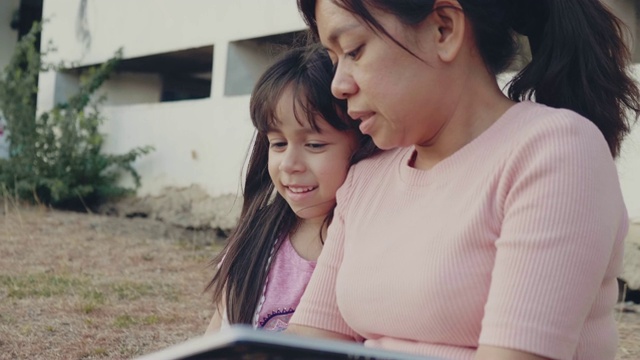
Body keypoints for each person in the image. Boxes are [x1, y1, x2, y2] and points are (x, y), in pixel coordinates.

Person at [287, 1, 640, 360]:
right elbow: (308, 342)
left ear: (444, 29)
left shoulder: (553, 150)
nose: (338, 86)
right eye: (334, 61)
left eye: (353, 51)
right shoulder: (366, 179)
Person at [204, 43, 378, 333]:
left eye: (314, 145)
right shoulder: (258, 234)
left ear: (362, 143)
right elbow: (219, 329)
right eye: (278, 144)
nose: (289, 164)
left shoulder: (365, 241)